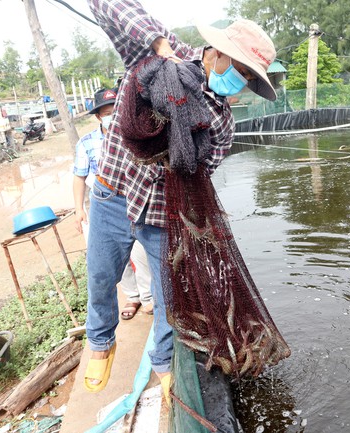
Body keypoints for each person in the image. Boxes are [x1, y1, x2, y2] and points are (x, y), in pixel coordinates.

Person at [84, 0, 277, 400]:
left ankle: (161, 362)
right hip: (112, 193)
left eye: (248, 79)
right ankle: (100, 342)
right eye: (240, 71)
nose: (240, 83)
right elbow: (105, 4)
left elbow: (204, 170)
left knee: (173, 300)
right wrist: (157, 43)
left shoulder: (222, 119)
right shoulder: (160, 56)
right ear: (218, 51)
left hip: (162, 215)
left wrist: (185, 146)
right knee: (101, 279)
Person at [72, 88, 153, 320]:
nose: (112, 116)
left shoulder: (134, 135)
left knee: (140, 251)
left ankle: (148, 296)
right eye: (107, 112)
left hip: (134, 199)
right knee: (114, 255)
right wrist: (79, 209)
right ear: (98, 116)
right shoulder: (87, 143)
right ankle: (133, 295)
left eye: (116, 110)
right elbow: (79, 176)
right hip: (103, 203)